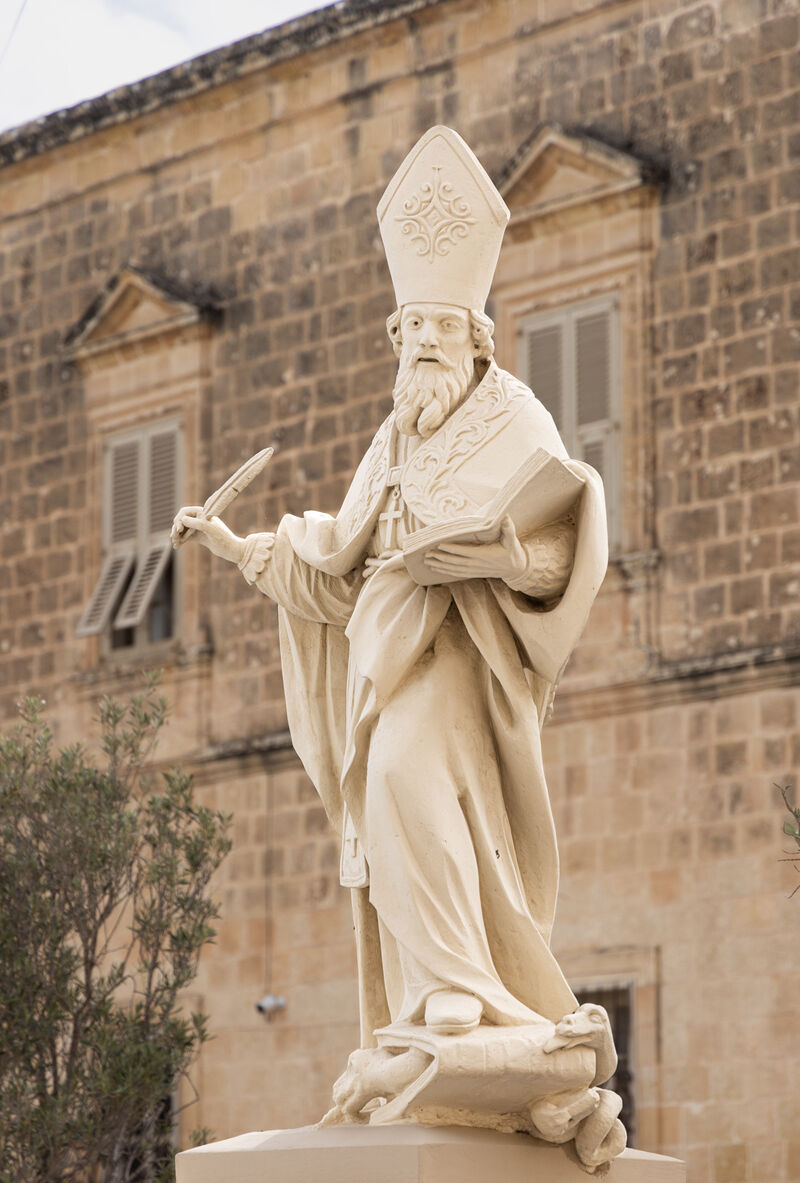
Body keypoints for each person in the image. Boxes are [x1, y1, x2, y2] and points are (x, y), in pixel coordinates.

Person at [173, 127, 609, 1055]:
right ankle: (433, 994)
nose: (426, 344)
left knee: (408, 771)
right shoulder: (389, 441)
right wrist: (234, 546)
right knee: (386, 800)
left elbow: (564, 544)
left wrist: (500, 562)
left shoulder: (517, 418)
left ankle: (461, 984)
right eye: (413, 330)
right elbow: (341, 570)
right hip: (386, 658)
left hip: (468, 660)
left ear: (474, 337)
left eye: (442, 328)